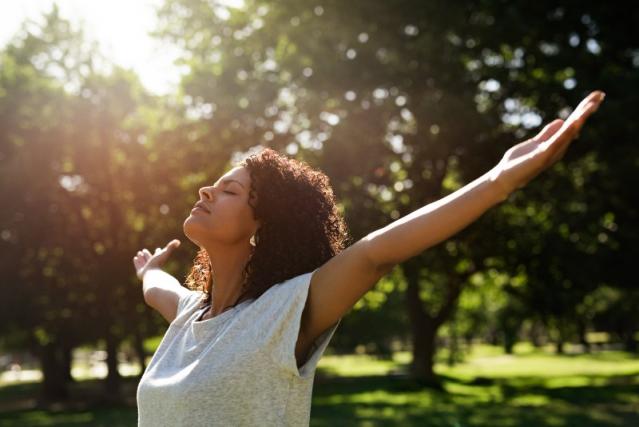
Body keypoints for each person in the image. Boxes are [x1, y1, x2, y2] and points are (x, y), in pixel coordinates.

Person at [132, 90, 605, 426]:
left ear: (263, 225)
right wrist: (150, 271)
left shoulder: (281, 314)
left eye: (229, 189)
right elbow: (161, 290)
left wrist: (498, 181)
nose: (206, 190)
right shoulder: (191, 317)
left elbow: (377, 252)